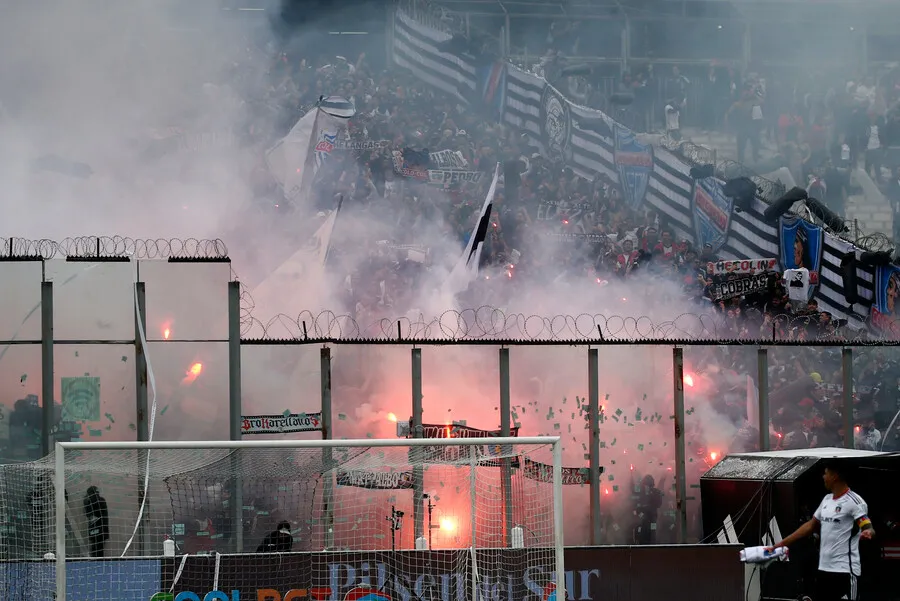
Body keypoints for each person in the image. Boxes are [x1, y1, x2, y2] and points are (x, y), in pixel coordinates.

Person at [769, 460, 874, 601]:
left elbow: (867, 526)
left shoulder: (854, 501)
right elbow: (810, 526)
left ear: (835, 476)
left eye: (825, 473)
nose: (823, 477)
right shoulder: (826, 500)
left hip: (845, 571)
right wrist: (781, 544)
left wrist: (868, 532)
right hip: (824, 570)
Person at [83, 486, 109, 557]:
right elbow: (89, 514)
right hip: (100, 529)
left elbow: (89, 513)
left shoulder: (94, 501)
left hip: (97, 529)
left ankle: (96, 563)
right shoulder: (100, 500)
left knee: (96, 550)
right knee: (98, 550)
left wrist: (86, 501)